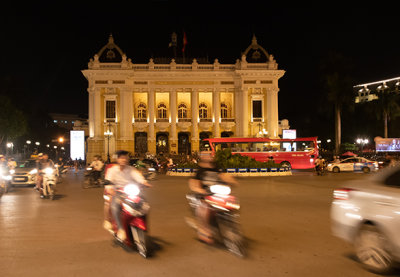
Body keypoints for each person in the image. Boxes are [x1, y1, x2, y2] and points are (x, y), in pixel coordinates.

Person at [188, 151, 238, 244]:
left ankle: (232, 223)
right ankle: (204, 230)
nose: (209, 156)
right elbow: (193, 183)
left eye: (210, 154)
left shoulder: (216, 167)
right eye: (206, 155)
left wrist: (233, 181)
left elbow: (224, 176)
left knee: (232, 204)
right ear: (202, 157)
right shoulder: (200, 170)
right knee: (204, 209)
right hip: (204, 194)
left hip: (217, 193)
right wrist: (199, 190)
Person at [104, 150, 150, 241]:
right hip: (117, 192)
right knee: (115, 206)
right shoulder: (112, 170)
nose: (124, 160)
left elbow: (138, 177)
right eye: (122, 158)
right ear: (117, 159)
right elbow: (108, 181)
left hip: (130, 191)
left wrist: (144, 182)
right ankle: (121, 229)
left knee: (145, 205)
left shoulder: (131, 169)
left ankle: (144, 224)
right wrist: (109, 188)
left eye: (125, 158)